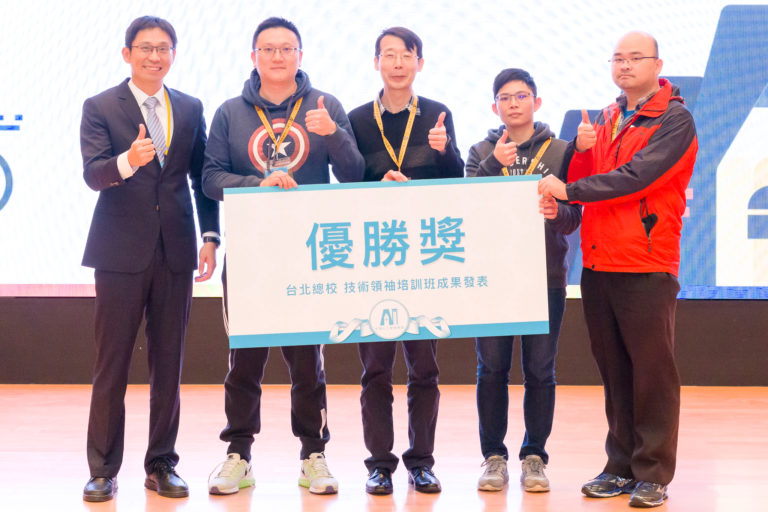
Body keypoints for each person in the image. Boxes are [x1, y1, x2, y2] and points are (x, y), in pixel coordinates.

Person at [201, 17, 364, 496]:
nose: (277, 56)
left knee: (307, 362)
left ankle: (314, 455)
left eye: (286, 48)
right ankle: (238, 454)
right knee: (244, 362)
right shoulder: (230, 112)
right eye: (268, 48)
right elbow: (210, 179)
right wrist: (258, 183)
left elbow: (355, 175)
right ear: (254, 56)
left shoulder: (324, 105)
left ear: (300, 55)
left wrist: (333, 134)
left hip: (310, 252)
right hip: (251, 253)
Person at [538, 31, 697, 508]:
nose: (624, 65)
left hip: (646, 261)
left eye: (635, 58)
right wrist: (579, 151)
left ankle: (653, 472)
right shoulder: (606, 118)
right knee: (615, 372)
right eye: (617, 58)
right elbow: (583, 176)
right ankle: (620, 466)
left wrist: (570, 190)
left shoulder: (674, 119)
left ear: (657, 65)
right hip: (599, 261)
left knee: (652, 373)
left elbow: (637, 177)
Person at [80, 15, 220, 502]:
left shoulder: (190, 106)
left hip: (176, 250)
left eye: (163, 48)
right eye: (145, 48)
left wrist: (210, 236)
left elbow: (202, 178)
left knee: (169, 363)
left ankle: (161, 463)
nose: (154, 56)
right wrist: (128, 161)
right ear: (127, 54)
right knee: (111, 364)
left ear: (173, 55)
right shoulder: (100, 106)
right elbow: (93, 174)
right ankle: (102, 469)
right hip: (119, 251)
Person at [346, 26, 464, 495]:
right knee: (375, 368)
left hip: (423, 257)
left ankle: (421, 462)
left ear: (420, 63)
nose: (398, 63)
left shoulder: (437, 113)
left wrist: (443, 150)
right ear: (376, 62)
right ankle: (379, 464)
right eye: (389, 55)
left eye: (406, 55)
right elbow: (348, 183)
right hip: (375, 255)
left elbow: (456, 180)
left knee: (424, 368)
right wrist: (375, 187)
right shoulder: (357, 119)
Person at [466, 68, 581, 493]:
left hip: (545, 276)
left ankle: (535, 456)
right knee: (491, 369)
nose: (513, 103)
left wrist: (558, 212)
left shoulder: (562, 151)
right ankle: (493, 457)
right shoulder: (481, 151)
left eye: (521, 96)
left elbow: (574, 215)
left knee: (540, 370)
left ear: (537, 101)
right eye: (505, 97)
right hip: (492, 278)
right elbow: (468, 206)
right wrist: (493, 166)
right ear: (494, 106)